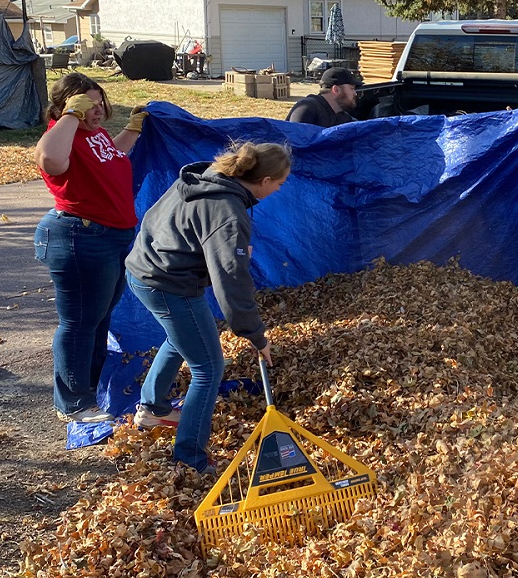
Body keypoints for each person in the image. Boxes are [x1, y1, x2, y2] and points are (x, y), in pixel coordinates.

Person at [124, 141, 291, 473]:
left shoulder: (205, 176)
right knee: (209, 367)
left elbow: (161, 219)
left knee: (182, 336)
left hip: (145, 269)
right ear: (266, 181)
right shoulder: (228, 211)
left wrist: (215, 252)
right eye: (281, 183)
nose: (280, 189)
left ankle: (154, 407)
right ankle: (190, 457)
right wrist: (256, 335)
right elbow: (232, 282)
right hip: (169, 284)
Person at [34, 72, 147, 423]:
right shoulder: (61, 134)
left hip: (113, 236)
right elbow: (50, 160)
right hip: (80, 236)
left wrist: (133, 129)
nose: (97, 111)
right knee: (80, 322)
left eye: (100, 103)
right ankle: (73, 404)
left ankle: (90, 390)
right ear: (68, 105)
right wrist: (70, 115)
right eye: (88, 105)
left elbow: (110, 156)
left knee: (98, 320)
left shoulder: (93, 134)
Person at [285, 67, 361, 127]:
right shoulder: (307, 109)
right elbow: (295, 142)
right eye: (352, 88)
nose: (355, 94)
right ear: (336, 90)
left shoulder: (342, 117)